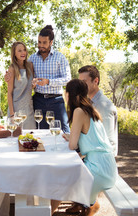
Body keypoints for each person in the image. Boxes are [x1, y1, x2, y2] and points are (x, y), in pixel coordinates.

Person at [52, 79, 117, 216]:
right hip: (107, 165)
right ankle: (85, 203)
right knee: (66, 174)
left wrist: (71, 138)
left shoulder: (79, 112)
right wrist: (71, 137)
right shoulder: (91, 109)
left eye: (66, 92)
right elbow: (88, 138)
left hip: (98, 169)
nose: (65, 95)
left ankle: (90, 205)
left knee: (61, 181)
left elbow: (72, 146)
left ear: (71, 95)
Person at [29, 25, 71, 132]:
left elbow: (67, 79)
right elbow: (25, 76)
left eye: (44, 43)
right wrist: (31, 82)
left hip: (56, 101)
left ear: (51, 42)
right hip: (38, 100)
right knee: (42, 134)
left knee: (65, 132)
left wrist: (48, 82)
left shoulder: (60, 57)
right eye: (39, 42)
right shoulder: (32, 58)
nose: (40, 45)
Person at [78, 65, 118, 156]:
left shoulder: (104, 106)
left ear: (96, 81)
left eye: (84, 82)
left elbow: (108, 142)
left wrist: (83, 155)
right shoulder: (89, 102)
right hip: (92, 156)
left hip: (101, 161)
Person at [7, 41, 36, 129]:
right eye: (19, 51)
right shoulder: (12, 68)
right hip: (16, 110)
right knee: (16, 139)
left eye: (24, 50)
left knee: (31, 138)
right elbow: (9, 93)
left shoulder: (30, 66)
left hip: (28, 109)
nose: (23, 52)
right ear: (14, 53)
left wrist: (34, 85)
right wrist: (12, 115)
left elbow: (31, 86)